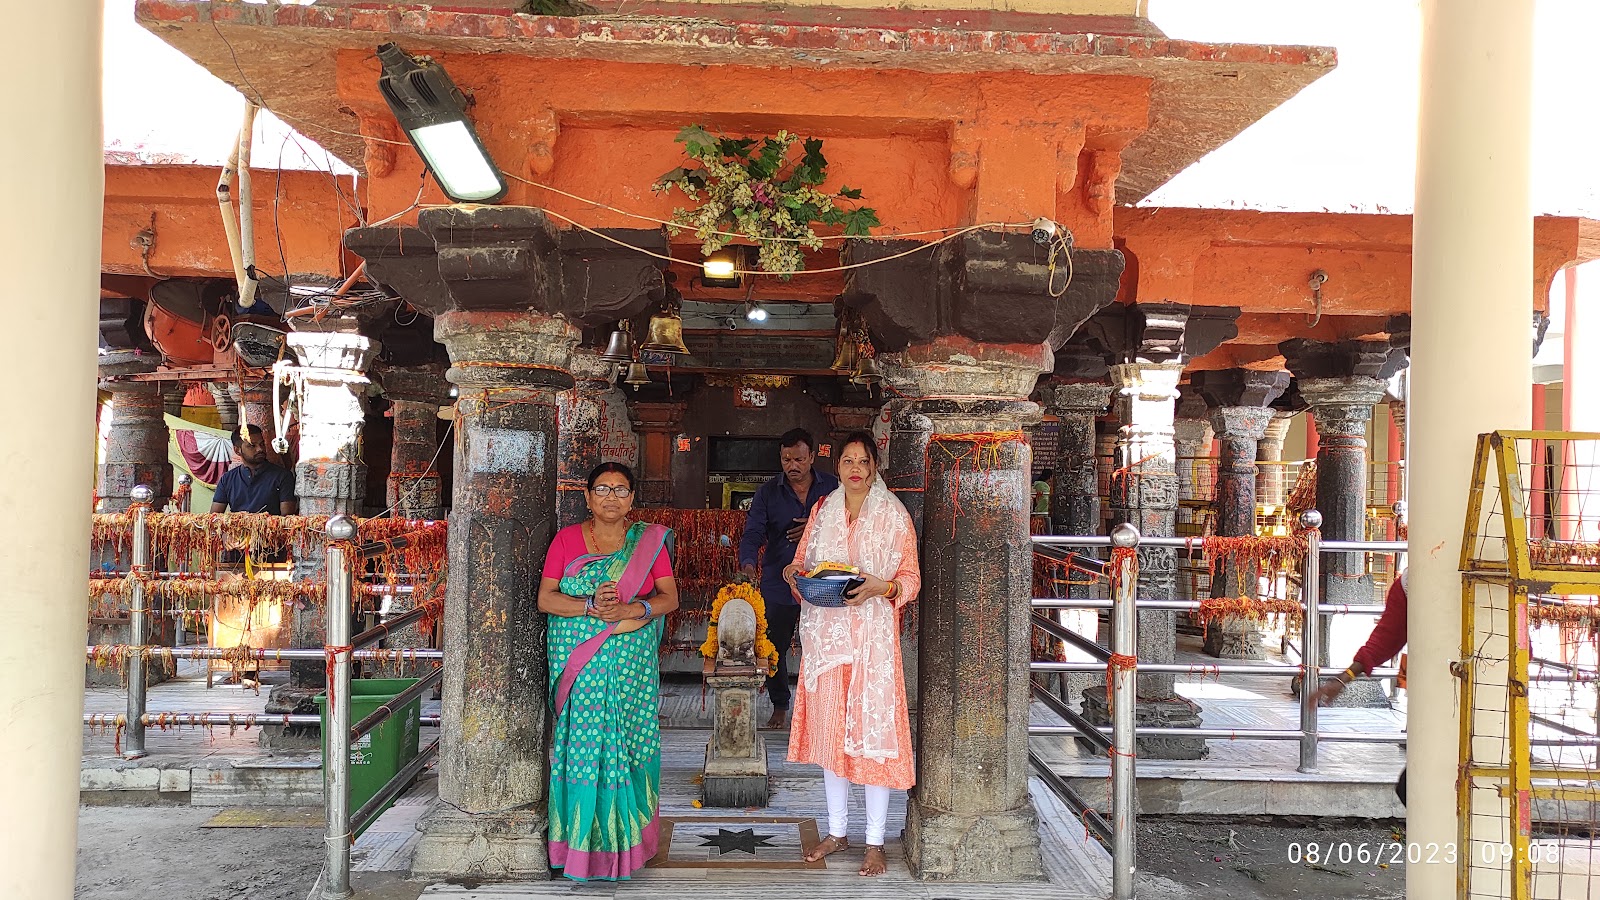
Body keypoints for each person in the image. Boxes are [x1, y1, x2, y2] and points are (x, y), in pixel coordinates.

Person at [783, 431, 919, 877]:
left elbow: (911, 579)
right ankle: (838, 831)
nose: (855, 468)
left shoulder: (895, 515)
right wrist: (792, 572)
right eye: (846, 461)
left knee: (873, 742)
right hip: (828, 642)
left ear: (875, 466)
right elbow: (804, 564)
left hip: (872, 647)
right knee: (831, 741)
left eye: (863, 460)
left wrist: (885, 587)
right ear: (836, 467)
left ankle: (875, 841)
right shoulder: (823, 511)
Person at [538, 462, 679, 881]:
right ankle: (581, 852)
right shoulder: (565, 541)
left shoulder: (648, 542)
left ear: (632, 499)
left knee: (630, 746)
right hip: (581, 667)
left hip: (631, 669)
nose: (611, 497)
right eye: (602, 489)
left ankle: (632, 846)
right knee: (584, 749)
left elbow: (669, 597)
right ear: (587, 497)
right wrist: (591, 609)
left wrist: (631, 612)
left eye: (620, 490)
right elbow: (547, 599)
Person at [738, 428, 840, 729]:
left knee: (822, 645)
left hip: (823, 581)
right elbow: (753, 531)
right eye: (786, 459)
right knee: (774, 645)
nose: (792, 465)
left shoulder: (834, 488)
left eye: (798, 458)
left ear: (812, 456)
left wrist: (814, 523)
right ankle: (780, 704)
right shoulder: (768, 493)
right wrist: (747, 564)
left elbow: (851, 523)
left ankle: (822, 709)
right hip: (777, 580)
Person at [1315, 569, 1407, 803]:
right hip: (1438, 695)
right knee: (1410, 787)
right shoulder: (1409, 584)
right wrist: (1342, 678)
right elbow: (1385, 639)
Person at [210, 424, 297, 516]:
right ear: (237, 450)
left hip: (270, 529)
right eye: (252, 445)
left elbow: (287, 519)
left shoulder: (282, 476)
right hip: (238, 528)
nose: (260, 449)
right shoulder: (227, 479)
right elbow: (214, 518)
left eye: (262, 444)